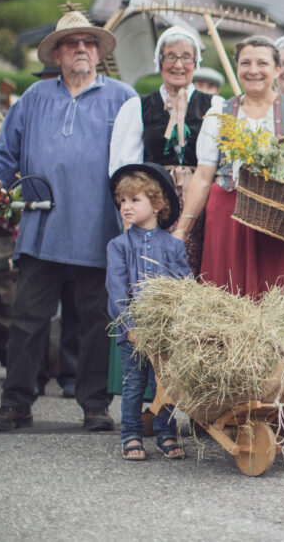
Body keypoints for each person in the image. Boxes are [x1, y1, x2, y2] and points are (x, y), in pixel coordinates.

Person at [0, 9, 137, 432]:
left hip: (99, 229)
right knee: (27, 319)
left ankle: (95, 405)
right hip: (42, 228)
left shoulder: (123, 97)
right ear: (57, 53)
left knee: (98, 322)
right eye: (72, 43)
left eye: (89, 42)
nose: (81, 48)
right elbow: (4, 155)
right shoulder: (33, 99)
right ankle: (16, 403)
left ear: (98, 52)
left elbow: (135, 164)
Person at [175, 35, 284, 297]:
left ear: (277, 70)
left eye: (262, 63)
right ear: (237, 69)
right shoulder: (218, 113)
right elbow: (203, 176)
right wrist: (182, 228)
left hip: (278, 218)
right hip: (227, 218)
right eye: (245, 63)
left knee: (277, 299)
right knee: (228, 301)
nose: (253, 70)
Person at [109, 25, 221, 271]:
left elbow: (213, 166)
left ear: (196, 62)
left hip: (199, 203)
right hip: (152, 203)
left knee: (193, 271)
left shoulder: (213, 106)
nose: (178, 65)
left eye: (186, 57)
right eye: (170, 56)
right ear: (159, 62)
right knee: (148, 272)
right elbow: (124, 168)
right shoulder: (138, 107)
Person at [107, 162, 190, 461]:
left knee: (164, 382)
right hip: (134, 331)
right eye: (122, 201)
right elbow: (116, 292)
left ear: (157, 205)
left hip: (166, 331)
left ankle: (165, 433)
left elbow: (185, 285)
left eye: (135, 200)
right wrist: (130, 327)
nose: (126, 207)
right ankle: (131, 434)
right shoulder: (118, 247)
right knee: (133, 382)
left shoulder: (173, 247)